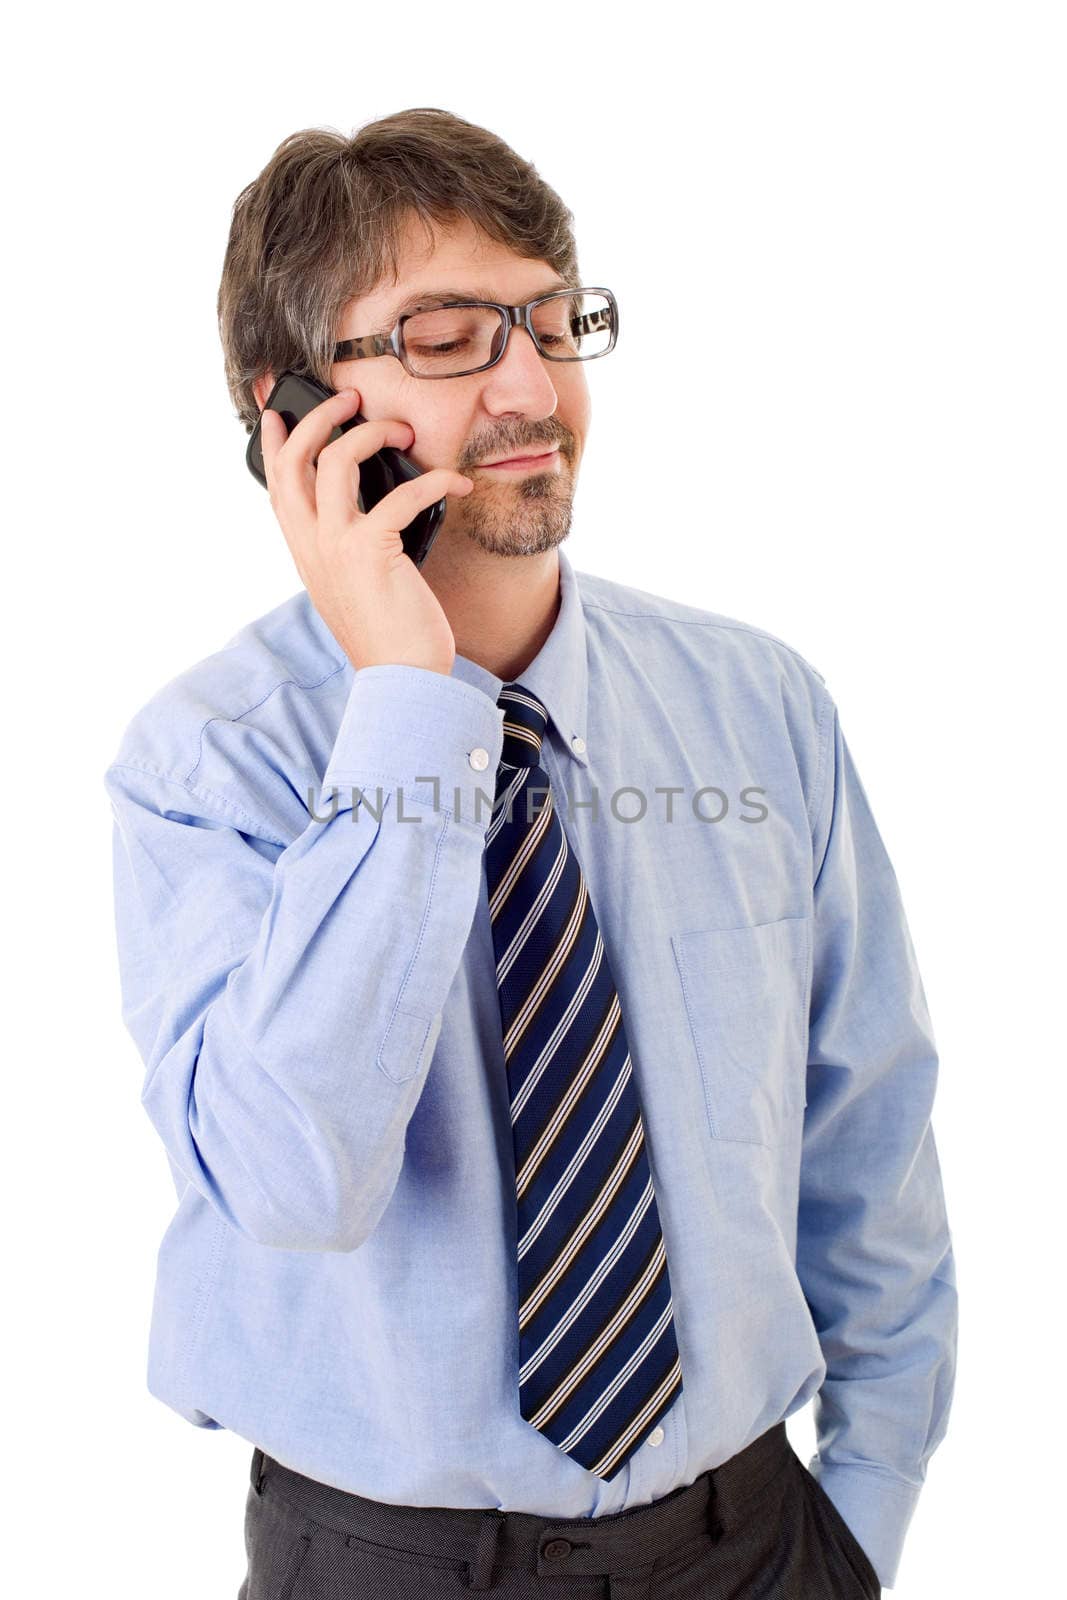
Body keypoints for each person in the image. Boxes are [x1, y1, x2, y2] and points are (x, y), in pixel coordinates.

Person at [102, 107, 957, 1598]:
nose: (529, 384)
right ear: (296, 411)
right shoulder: (208, 763)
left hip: (753, 1547)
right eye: (445, 337)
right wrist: (404, 711)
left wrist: (863, 1507)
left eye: (553, 321)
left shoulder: (759, 706)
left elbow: (866, 1131)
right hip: (385, 1566)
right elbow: (297, 1183)